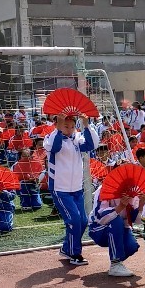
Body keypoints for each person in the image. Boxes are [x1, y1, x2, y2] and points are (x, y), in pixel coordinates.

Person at [44, 111, 97, 266]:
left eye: (72, 126)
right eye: (66, 126)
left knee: (83, 220)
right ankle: (75, 253)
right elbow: (55, 147)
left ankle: (67, 248)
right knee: (73, 219)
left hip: (76, 188)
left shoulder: (77, 139)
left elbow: (91, 144)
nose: (70, 129)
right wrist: (59, 128)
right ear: (57, 124)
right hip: (60, 189)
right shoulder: (50, 138)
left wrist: (86, 125)